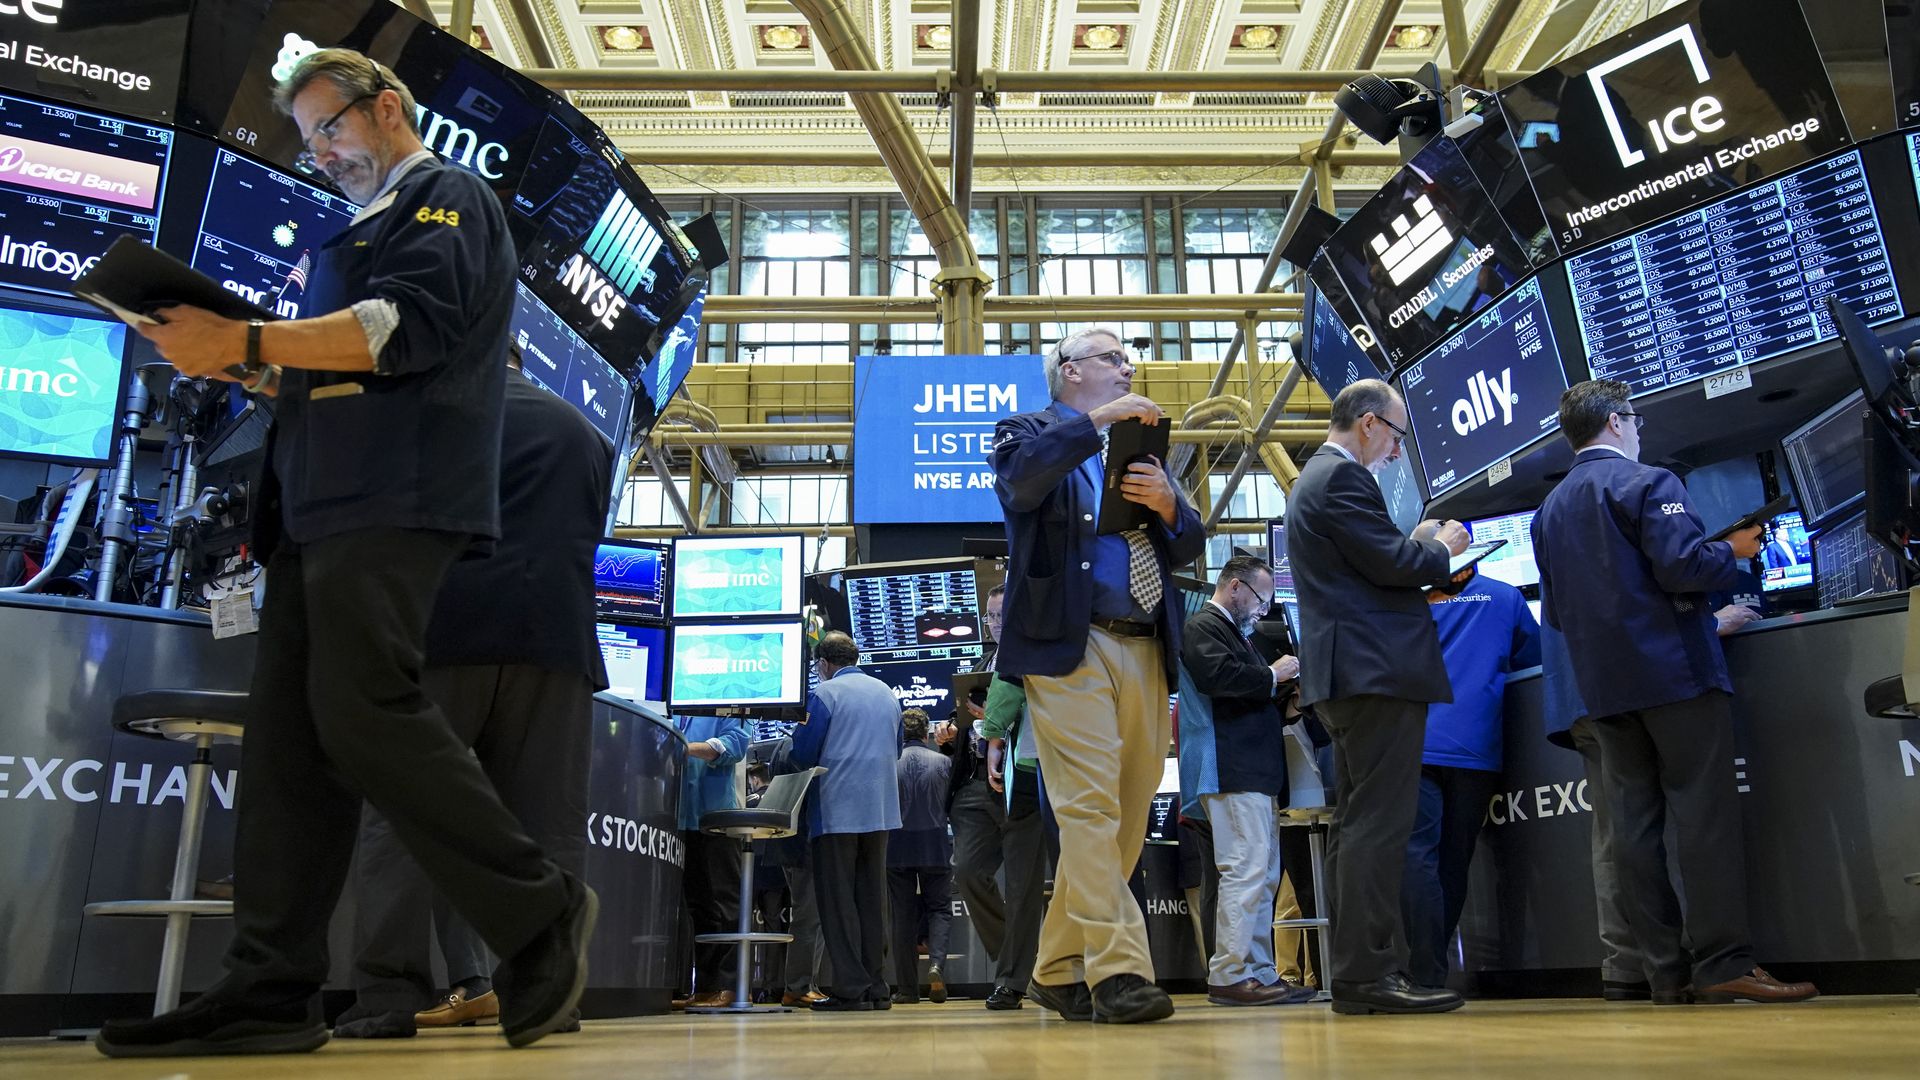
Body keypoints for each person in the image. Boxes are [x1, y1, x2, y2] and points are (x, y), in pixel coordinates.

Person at [98, 48, 594, 1058]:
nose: (322, 151)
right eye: (311, 138)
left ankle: (537, 912)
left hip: (396, 499)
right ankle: (269, 986)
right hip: (318, 507)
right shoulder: (352, 228)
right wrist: (265, 372)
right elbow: (340, 370)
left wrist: (247, 341)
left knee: (363, 711)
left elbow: (398, 330)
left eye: (332, 126)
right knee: (289, 749)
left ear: (389, 108)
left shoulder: (447, 196)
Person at [333, 346, 615, 1039]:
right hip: (555, 642)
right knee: (546, 827)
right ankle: (547, 997)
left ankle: (388, 999)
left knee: (403, 818)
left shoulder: (423, 412)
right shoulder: (583, 431)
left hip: (441, 634)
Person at [1533, 378, 1816, 1006]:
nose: (1639, 429)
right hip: (1676, 676)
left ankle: (1665, 973)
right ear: (1612, 422)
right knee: (1704, 819)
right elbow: (1683, 566)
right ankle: (1723, 964)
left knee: (1634, 831)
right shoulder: (1648, 483)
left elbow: (1554, 614)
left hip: (1603, 690)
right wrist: (1732, 552)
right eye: (1633, 418)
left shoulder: (1547, 512)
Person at [988, 326, 1205, 1024]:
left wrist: (1172, 505)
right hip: (1067, 646)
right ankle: (1119, 971)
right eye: (1113, 357)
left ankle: (1054, 970)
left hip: (1145, 643)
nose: (1127, 367)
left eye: (1128, 359)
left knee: (1128, 818)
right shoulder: (1030, 429)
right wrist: (1098, 424)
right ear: (1070, 370)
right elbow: (1022, 483)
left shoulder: (1142, 450)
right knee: (1088, 808)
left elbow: (1189, 540)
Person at [1284, 378, 1469, 1016]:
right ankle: (1368, 975)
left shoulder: (1318, 480)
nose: (1396, 448)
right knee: (1378, 828)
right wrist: (1438, 549)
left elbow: (1370, 564)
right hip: (1374, 673)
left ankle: (1363, 972)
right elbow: (1394, 565)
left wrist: (1411, 547)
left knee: (1360, 826)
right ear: (1368, 423)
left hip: (1349, 674)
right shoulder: (1341, 478)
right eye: (1396, 433)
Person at [1539, 596, 1759, 1001]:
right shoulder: (1612, 529)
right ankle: (1691, 961)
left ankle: (1628, 966)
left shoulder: (1547, 528)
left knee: (1618, 829)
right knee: (1672, 821)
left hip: (1582, 691)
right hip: (1637, 680)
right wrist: (1708, 622)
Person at [1176, 554, 1317, 1007]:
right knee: (1244, 870)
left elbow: (1246, 690)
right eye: (1261, 598)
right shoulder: (1203, 626)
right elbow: (1219, 678)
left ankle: (1258, 971)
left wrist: (1283, 693)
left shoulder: (1236, 633)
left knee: (1262, 875)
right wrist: (1274, 675)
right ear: (1235, 587)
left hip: (1251, 769)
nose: (1262, 609)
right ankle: (1231, 973)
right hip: (1229, 765)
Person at [1399, 570, 1539, 991]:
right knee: (1454, 861)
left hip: (1416, 742)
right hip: (1476, 745)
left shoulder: (1408, 597)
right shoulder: (1506, 597)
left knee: (1418, 855)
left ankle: (1424, 972)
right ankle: (1432, 969)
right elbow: (1532, 662)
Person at [934, 583, 1042, 1010]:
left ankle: (1015, 977)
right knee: (967, 871)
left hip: (1025, 776)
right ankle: (1021, 961)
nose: (996, 624)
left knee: (1023, 884)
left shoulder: (1034, 654)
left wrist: (997, 723)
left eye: (1002, 616)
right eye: (990, 617)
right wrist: (951, 730)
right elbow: (965, 717)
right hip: (978, 783)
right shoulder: (982, 664)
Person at [790, 631, 904, 1011]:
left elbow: (803, 753)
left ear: (823, 665)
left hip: (837, 810)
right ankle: (877, 987)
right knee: (872, 901)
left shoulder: (824, 695)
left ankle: (850, 989)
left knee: (838, 903)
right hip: (881, 810)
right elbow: (898, 746)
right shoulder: (888, 693)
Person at [673, 715, 752, 1009]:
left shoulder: (728, 709)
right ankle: (706, 988)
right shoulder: (679, 713)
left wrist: (686, 748)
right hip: (684, 819)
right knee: (699, 906)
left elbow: (733, 747)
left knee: (726, 903)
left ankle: (731, 987)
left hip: (718, 820)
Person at [888, 708, 955, 1004]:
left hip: (896, 845)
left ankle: (906, 989)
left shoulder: (888, 763)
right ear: (926, 732)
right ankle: (937, 965)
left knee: (901, 916)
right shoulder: (944, 762)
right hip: (936, 843)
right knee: (939, 908)